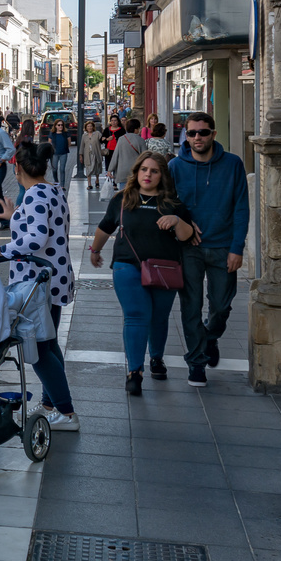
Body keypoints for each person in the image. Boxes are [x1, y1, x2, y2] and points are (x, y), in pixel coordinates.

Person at [90, 151, 194, 395]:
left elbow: (187, 236)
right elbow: (105, 227)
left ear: (162, 176)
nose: (148, 174)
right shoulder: (122, 199)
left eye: (154, 171)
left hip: (164, 269)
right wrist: (95, 250)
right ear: (136, 172)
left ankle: (156, 358)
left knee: (159, 317)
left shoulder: (173, 204)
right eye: (144, 169)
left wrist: (177, 220)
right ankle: (134, 372)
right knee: (136, 316)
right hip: (127, 266)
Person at [0, 141, 78, 429]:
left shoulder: (35, 197)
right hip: (53, 280)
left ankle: (66, 413)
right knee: (49, 344)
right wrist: (14, 216)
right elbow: (40, 228)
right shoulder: (52, 190)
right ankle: (50, 403)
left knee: (39, 351)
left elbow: (36, 238)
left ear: (16, 168)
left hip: (38, 284)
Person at [169, 112, 250, 388]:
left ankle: (210, 337)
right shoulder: (175, 167)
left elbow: (241, 207)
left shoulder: (233, 164)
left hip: (223, 247)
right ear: (186, 135)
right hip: (188, 249)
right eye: (191, 133)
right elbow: (168, 205)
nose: (197, 138)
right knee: (190, 307)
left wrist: (237, 248)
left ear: (213, 134)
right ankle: (196, 363)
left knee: (221, 306)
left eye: (203, 132)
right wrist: (183, 224)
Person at [107, 117, 144, 191]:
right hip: (136, 171)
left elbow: (115, 155)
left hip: (122, 171)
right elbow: (144, 157)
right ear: (136, 129)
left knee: (123, 193)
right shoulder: (141, 140)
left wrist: (110, 170)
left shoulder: (121, 139)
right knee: (135, 192)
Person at [80, 120, 105, 190]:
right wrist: (81, 155)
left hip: (96, 153)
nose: (89, 128)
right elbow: (82, 145)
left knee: (97, 168)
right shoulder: (84, 135)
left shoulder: (97, 133)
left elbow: (102, 140)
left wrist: (104, 138)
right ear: (86, 127)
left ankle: (97, 180)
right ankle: (89, 184)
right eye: (88, 126)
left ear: (93, 127)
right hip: (88, 155)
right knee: (88, 169)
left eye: (91, 126)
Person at [47, 119, 71, 184]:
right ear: (55, 126)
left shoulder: (66, 133)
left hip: (63, 153)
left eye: (62, 125)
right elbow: (49, 143)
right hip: (54, 154)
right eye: (59, 125)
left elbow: (69, 143)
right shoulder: (52, 134)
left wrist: (65, 148)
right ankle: (56, 181)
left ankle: (62, 184)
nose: (60, 126)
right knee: (54, 169)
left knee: (62, 169)